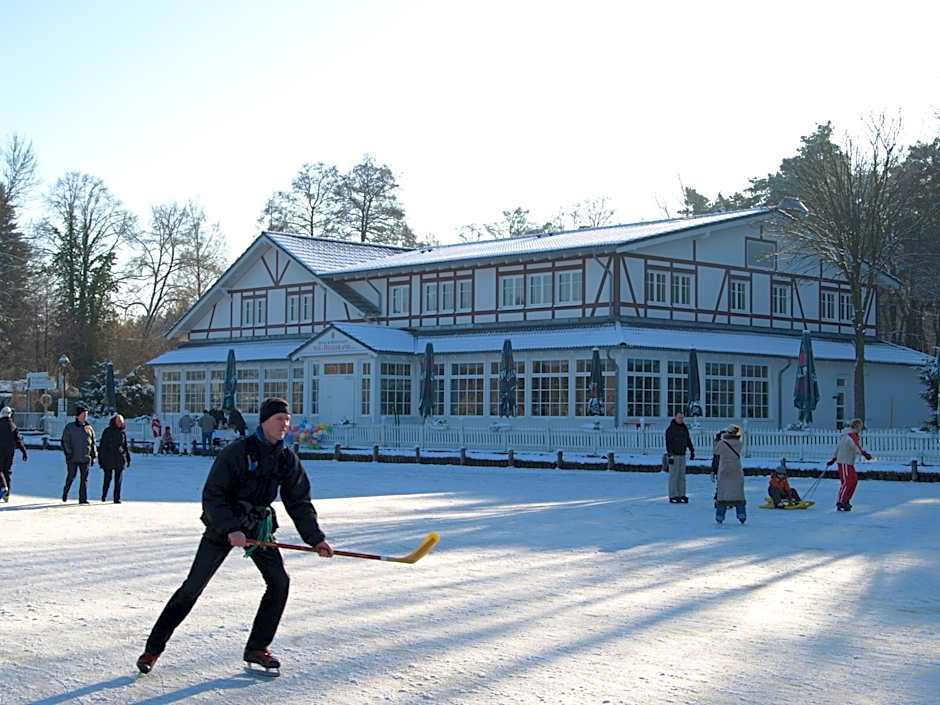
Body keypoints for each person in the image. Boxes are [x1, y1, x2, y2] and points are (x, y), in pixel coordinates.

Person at [136, 397, 333, 676]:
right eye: (279, 419)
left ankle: (257, 648)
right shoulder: (237, 452)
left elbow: (299, 502)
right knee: (193, 587)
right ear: (264, 421)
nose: (285, 424)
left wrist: (315, 539)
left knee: (279, 582)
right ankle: (152, 650)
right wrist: (231, 528)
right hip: (223, 524)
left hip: (258, 526)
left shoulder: (286, 458)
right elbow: (213, 495)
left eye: (287, 419)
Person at [826, 418, 871, 512]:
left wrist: (833, 459)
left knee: (854, 481)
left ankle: (846, 500)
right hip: (844, 462)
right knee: (847, 482)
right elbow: (855, 447)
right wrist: (864, 454)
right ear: (856, 427)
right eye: (860, 427)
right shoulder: (850, 436)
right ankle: (841, 501)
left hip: (848, 462)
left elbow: (839, 447)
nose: (860, 429)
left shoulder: (849, 435)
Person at [61, 404, 97, 504]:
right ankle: (65, 492)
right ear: (77, 416)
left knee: (84, 479)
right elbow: (65, 441)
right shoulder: (70, 427)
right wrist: (69, 453)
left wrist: (94, 455)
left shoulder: (89, 428)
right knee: (71, 476)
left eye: (86, 414)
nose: (85, 416)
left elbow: (93, 442)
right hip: (73, 457)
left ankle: (83, 499)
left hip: (86, 457)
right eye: (83, 414)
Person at [713, 423, 746, 524]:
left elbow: (716, 451)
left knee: (723, 496)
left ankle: (720, 516)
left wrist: (717, 439)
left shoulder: (722, 443)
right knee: (738, 495)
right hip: (736, 471)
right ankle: (741, 514)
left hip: (725, 471)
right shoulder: (739, 443)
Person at [99, 414, 131, 503]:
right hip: (108, 458)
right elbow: (102, 446)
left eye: (121, 421)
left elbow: (125, 446)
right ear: (114, 421)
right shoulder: (107, 431)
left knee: (118, 480)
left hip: (120, 458)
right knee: (107, 478)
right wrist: (101, 459)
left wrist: (128, 458)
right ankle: (104, 495)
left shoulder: (122, 433)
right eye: (119, 421)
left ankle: (117, 498)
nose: (120, 423)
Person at [664, 411, 695, 503]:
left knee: (682, 476)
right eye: (679, 417)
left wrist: (692, 450)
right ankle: (673, 495)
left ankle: (682, 494)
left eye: (682, 418)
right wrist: (670, 454)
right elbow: (668, 442)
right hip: (674, 455)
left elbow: (688, 440)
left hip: (682, 454)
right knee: (674, 475)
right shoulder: (671, 429)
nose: (681, 419)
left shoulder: (684, 428)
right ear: (675, 417)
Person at [0, 407, 28, 502]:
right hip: (10, 452)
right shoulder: (13, 426)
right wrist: (24, 451)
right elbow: (18, 440)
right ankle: (7, 495)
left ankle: (3, 487)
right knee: (7, 472)